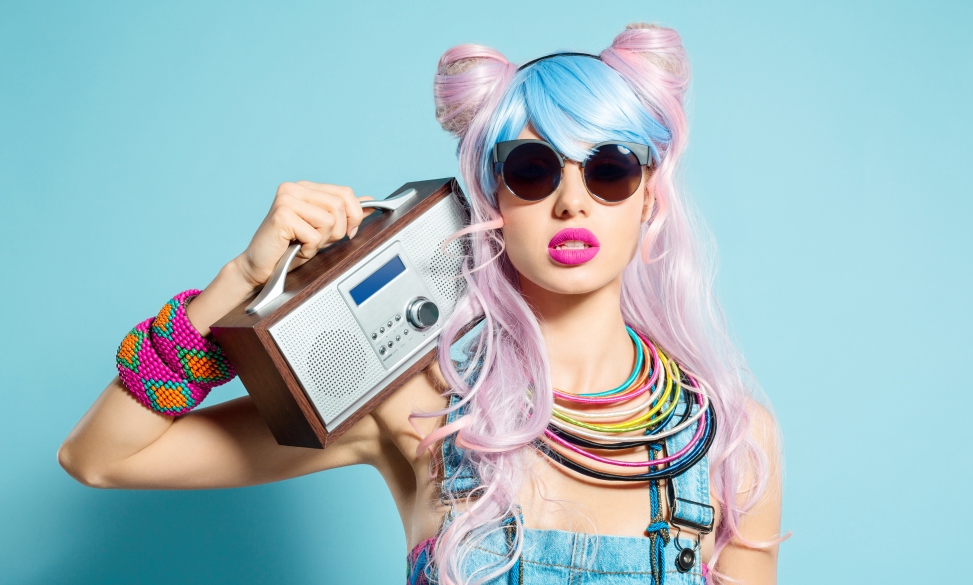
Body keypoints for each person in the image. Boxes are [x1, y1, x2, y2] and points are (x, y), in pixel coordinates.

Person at [59, 22, 783, 585]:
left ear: (649, 197)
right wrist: (237, 282)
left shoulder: (728, 439)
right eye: (532, 171)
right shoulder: (424, 404)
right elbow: (101, 456)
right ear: (493, 196)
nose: (571, 203)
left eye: (610, 169)